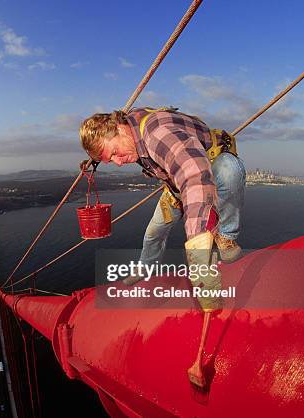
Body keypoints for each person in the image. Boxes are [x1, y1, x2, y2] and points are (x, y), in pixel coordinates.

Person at [80, 106, 246, 386]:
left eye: (115, 154)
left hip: (209, 174)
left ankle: (227, 235)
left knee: (227, 174)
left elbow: (195, 179)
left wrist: (198, 251)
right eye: (111, 160)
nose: (119, 162)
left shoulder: (158, 133)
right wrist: (95, 159)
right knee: (153, 233)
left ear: (118, 130)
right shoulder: (126, 130)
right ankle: (145, 268)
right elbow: (180, 181)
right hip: (176, 189)